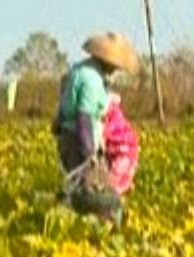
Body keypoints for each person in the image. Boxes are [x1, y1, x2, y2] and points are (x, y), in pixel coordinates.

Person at [55, 31, 138, 221]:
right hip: (79, 140)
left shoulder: (79, 70)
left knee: (78, 187)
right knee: (95, 193)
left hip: (69, 137)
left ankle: (71, 220)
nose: (116, 70)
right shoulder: (92, 80)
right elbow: (84, 117)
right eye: (115, 66)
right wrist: (89, 153)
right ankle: (95, 227)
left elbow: (63, 107)